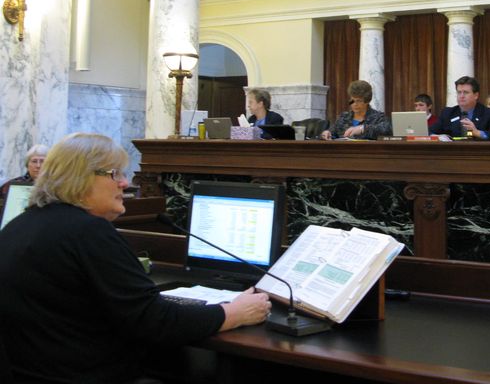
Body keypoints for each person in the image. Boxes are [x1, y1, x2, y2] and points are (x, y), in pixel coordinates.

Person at [0, 133, 271, 384]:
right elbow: (155, 321)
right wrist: (233, 313)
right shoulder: (87, 232)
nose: (125, 183)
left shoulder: (19, 225)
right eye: (113, 174)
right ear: (79, 177)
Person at [429, 76, 490, 140]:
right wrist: (439, 137)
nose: (461, 96)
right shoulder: (448, 113)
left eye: (466, 92)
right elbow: (430, 132)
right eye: (459, 92)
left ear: (476, 95)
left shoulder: (489, 114)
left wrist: (477, 132)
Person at [321, 80, 392, 139]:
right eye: (352, 100)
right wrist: (326, 133)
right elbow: (332, 132)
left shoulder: (378, 118)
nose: (355, 104)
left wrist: (363, 129)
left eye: (359, 101)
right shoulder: (343, 117)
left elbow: (387, 131)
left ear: (367, 101)